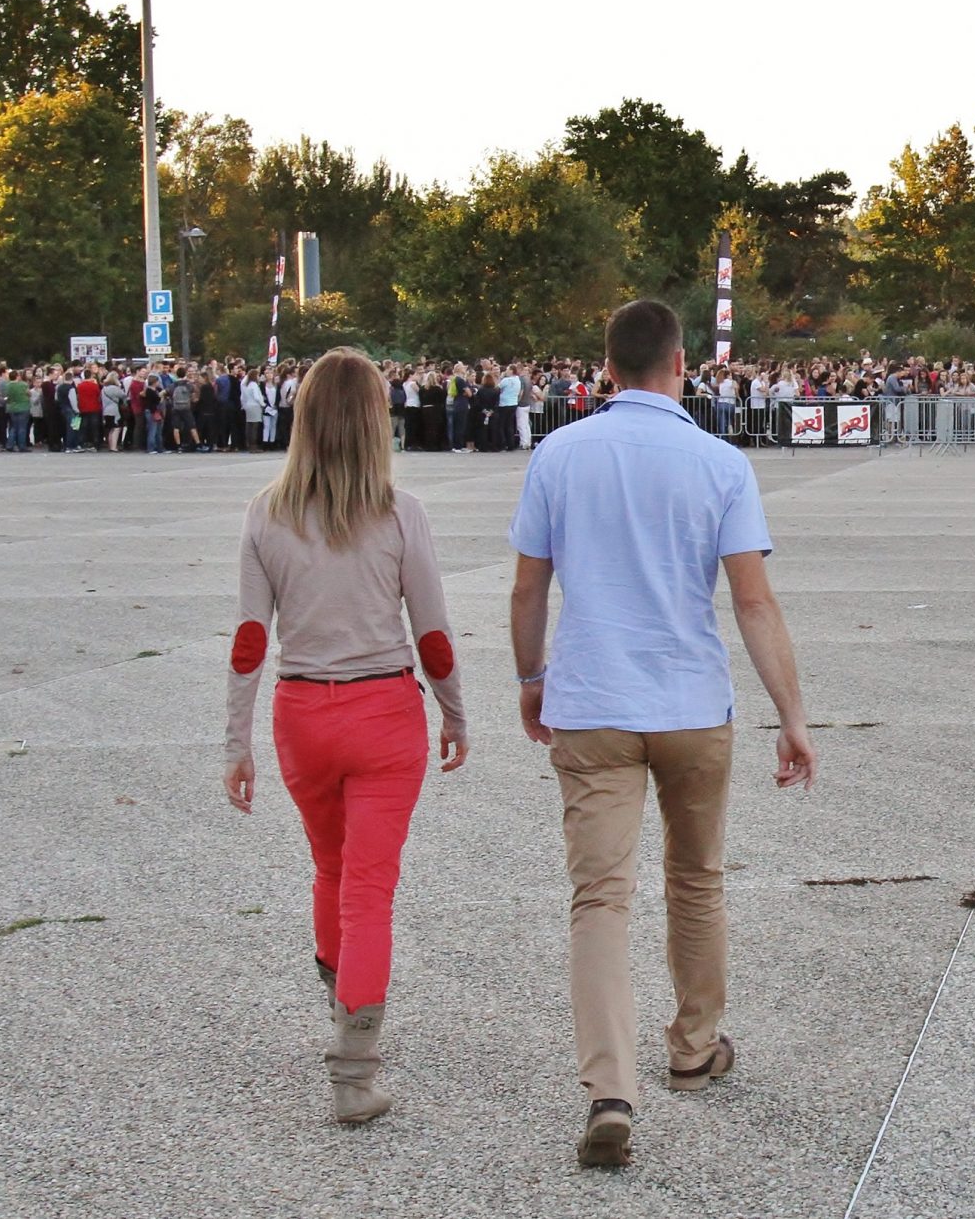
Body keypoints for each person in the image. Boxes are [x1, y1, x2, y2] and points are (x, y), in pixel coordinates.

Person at [506, 299, 816, 1170]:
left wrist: (531, 678)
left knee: (600, 896)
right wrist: (791, 717)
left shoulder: (558, 455)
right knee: (696, 880)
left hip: (594, 697)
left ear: (607, 368)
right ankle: (692, 1046)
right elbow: (752, 601)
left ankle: (611, 1088)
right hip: (688, 702)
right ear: (681, 362)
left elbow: (530, 589)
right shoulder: (719, 462)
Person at [221, 347, 468, 1125]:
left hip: (302, 714)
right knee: (370, 891)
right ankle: (354, 1071)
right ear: (374, 423)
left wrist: (238, 741)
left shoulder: (267, 511)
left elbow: (250, 640)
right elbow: (431, 633)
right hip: (385, 715)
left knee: (330, 871)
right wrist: (456, 710)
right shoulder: (400, 512)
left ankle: (345, 1002)